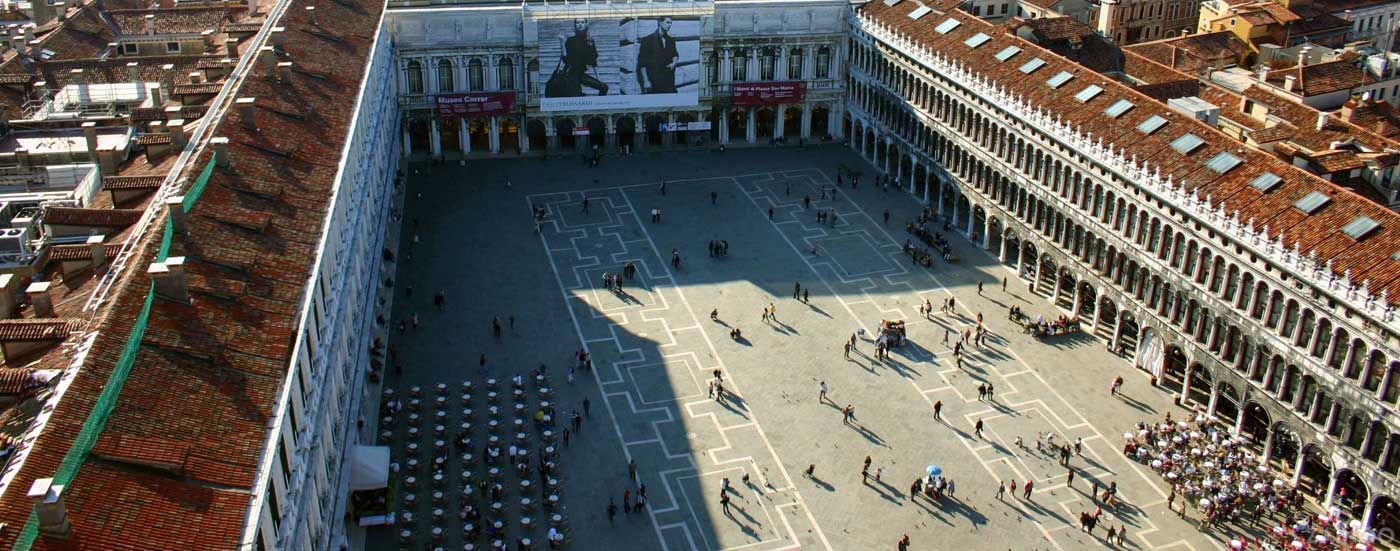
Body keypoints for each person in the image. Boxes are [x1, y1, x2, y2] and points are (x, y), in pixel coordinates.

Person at [549, 19, 608, 97]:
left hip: (581, 74)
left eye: (582, 22)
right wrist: (562, 43)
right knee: (577, 95)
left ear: (586, 24)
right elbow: (565, 59)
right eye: (577, 22)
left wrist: (599, 79)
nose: (580, 24)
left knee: (604, 88)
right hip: (569, 74)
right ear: (575, 25)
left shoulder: (590, 41)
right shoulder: (570, 40)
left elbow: (594, 63)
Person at [636, 17, 680, 93]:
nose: (669, 25)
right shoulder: (647, 40)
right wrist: (646, 81)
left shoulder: (670, 40)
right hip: (654, 81)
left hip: (669, 80)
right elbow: (642, 63)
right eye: (667, 22)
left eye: (670, 23)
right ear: (660, 22)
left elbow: (675, 54)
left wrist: (674, 63)